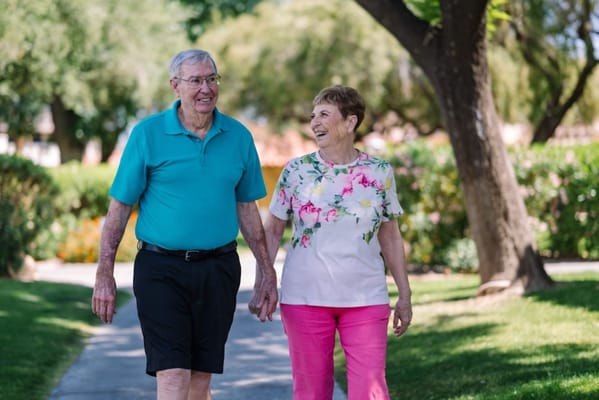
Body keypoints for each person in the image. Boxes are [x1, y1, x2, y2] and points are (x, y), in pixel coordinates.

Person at [92, 49, 278, 400]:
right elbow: (118, 210)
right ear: (175, 85)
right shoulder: (147, 134)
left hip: (219, 269)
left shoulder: (238, 137)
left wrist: (266, 271)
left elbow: (248, 209)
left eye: (212, 79)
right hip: (160, 268)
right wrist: (104, 273)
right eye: (196, 80)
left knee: (200, 381)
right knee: (174, 372)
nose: (205, 88)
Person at [251, 85, 412, 399]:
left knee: (371, 391)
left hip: (365, 297)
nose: (315, 123)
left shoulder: (379, 172)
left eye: (324, 115)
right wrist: (264, 282)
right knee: (312, 392)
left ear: (350, 122)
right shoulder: (296, 171)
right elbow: (272, 231)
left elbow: (390, 235)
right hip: (305, 298)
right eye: (313, 116)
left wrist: (404, 293)